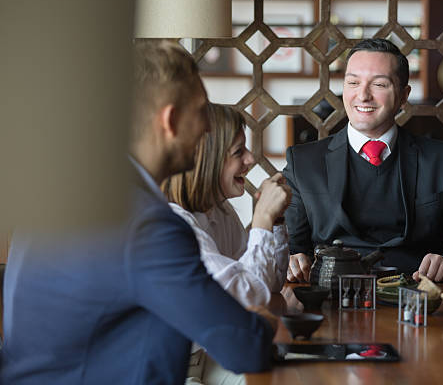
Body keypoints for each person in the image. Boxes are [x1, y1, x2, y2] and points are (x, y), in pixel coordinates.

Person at [1, 41, 277, 384]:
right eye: (201, 111)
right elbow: (245, 347)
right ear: (171, 120)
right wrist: (264, 320)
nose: (208, 128)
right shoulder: (147, 225)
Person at [284, 38, 443, 283]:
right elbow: (292, 247)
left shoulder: (440, 159)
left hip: (418, 296)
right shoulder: (304, 162)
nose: (363, 95)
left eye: (379, 84)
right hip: (334, 297)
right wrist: (291, 259)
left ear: (404, 95)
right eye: (353, 83)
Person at [163, 103, 291, 308]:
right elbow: (246, 298)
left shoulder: (221, 211)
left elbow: (270, 284)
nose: (250, 159)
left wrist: (275, 220)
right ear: (206, 160)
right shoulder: (174, 225)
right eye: (239, 151)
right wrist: (262, 218)